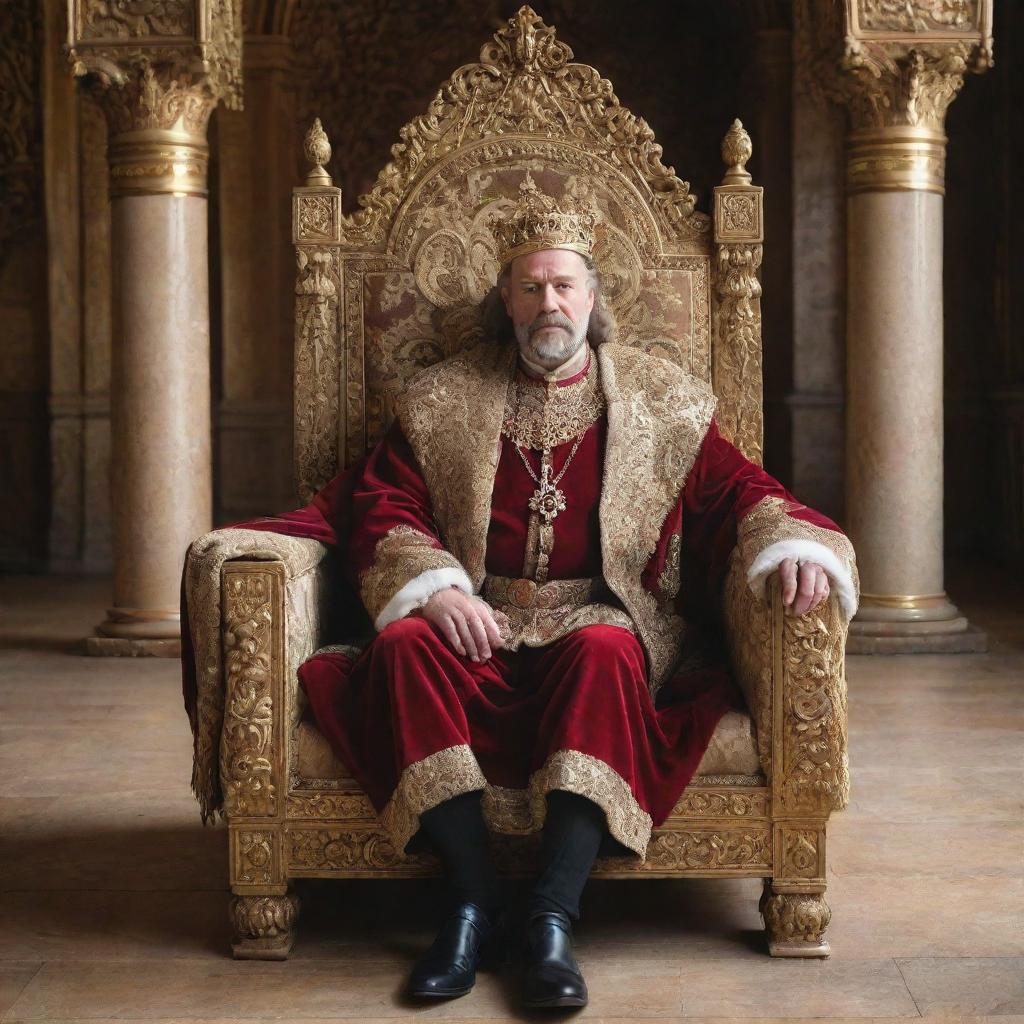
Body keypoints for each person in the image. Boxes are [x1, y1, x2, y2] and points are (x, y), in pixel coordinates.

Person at [296, 176, 858, 1009]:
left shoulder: (662, 403)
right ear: (506, 298)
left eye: (563, 285)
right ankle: (474, 900)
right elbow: (384, 503)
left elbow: (743, 494)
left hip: (600, 618)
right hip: (478, 620)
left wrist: (796, 546)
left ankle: (553, 918)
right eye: (530, 287)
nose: (548, 302)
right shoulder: (442, 400)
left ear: (592, 296)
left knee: (603, 650)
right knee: (406, 644)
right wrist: (434, 587)